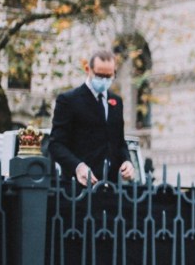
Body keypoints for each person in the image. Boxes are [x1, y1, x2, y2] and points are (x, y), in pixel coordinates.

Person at [48, 50, 135, 186]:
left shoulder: (116, 101)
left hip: (111, 187)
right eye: (100, 75)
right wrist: (78, 166)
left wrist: (127, 161)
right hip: (77, 187)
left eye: (109, 76)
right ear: (88, 70)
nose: (104, 80)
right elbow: (55, 145)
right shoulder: (68, 100)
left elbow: (119, 142)